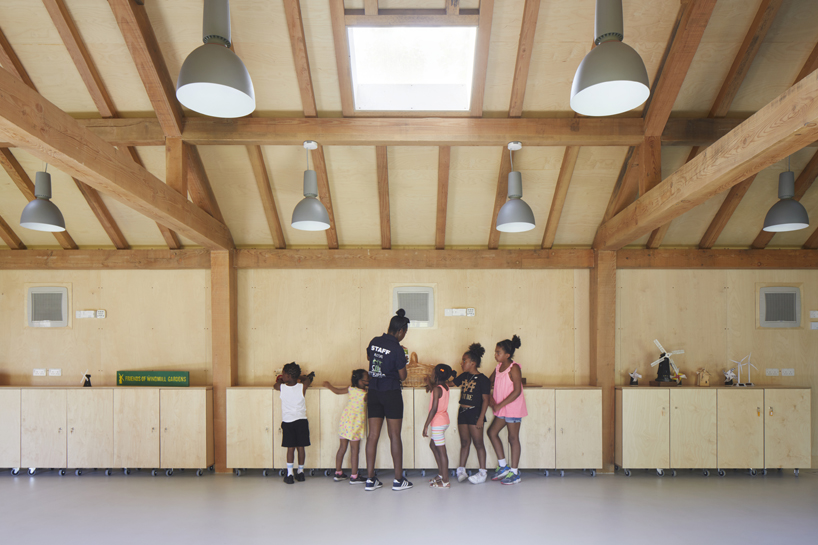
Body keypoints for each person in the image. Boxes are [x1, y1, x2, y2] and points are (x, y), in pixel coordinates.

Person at [364, 309, 413, 491]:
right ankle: (398, 480)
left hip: (374, 391)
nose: (404, 335)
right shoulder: (397, 349)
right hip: (391, 392)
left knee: (372, 436)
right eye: (405, 332)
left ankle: (370, 479)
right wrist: (402, 361)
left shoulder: (374, 341)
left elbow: (369, 357)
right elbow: (402, 376)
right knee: (394, 435)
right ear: (400, 331)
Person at [487, 335, 527, 485]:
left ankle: (515, 473)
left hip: (512, 409)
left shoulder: (514, 368)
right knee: (492, 432)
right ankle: (503, 466)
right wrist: (490, 397)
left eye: (498, 352)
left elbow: (517, 391)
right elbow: (489, 381)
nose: (495, 355)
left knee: (513, 438)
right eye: (495, 352)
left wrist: (498, 405)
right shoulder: (498, 367)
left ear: (507, 355)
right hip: (502, 409)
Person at [453, 343, 491, 484]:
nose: (461, 363)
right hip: (462, 412)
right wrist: (436, 382)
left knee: (478, 443)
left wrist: (481, 418)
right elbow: (451, 384)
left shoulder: (483, 380)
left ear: (473, 363)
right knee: (464, 442)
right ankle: (461, 470)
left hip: (475, 413)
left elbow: (486, 400)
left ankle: (482, 472)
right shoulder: (464, 376)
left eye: (464, 361)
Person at [323, 369, 369, 484]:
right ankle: (354, 476)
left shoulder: (351, 389)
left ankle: (338, 473)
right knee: (354, 450)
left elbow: (337, 391)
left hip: (345, 422)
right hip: (355, 424)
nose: (369, 380)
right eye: (367, 379)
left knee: (342, 448)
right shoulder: (366, 394)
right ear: (360, 381)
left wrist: (328, 385)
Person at [274, 362, 314, 484]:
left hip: (288, 422)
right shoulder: (302, 387)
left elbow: (275, 385)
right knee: (301, 447)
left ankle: (290, 474)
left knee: (290, 448)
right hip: (301, 421)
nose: (282, 375)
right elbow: (307, 380)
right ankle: (300, 472)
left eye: (283, 374)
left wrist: (280, 380)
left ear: (288, 376)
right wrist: (298, 376)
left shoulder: (282, 387)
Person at [422, 364, 457, 488]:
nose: (431, 374)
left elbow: (434, 409)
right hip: (444, 421)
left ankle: (445, 481)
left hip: (437, 423)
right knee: (433, 445)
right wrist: (429, 383)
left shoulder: (437, 389)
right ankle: (441, 474)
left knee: (442, 452)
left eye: (432, 373)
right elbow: (436, 392)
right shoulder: (445, 386)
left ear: (436, 375)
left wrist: (426, 425)